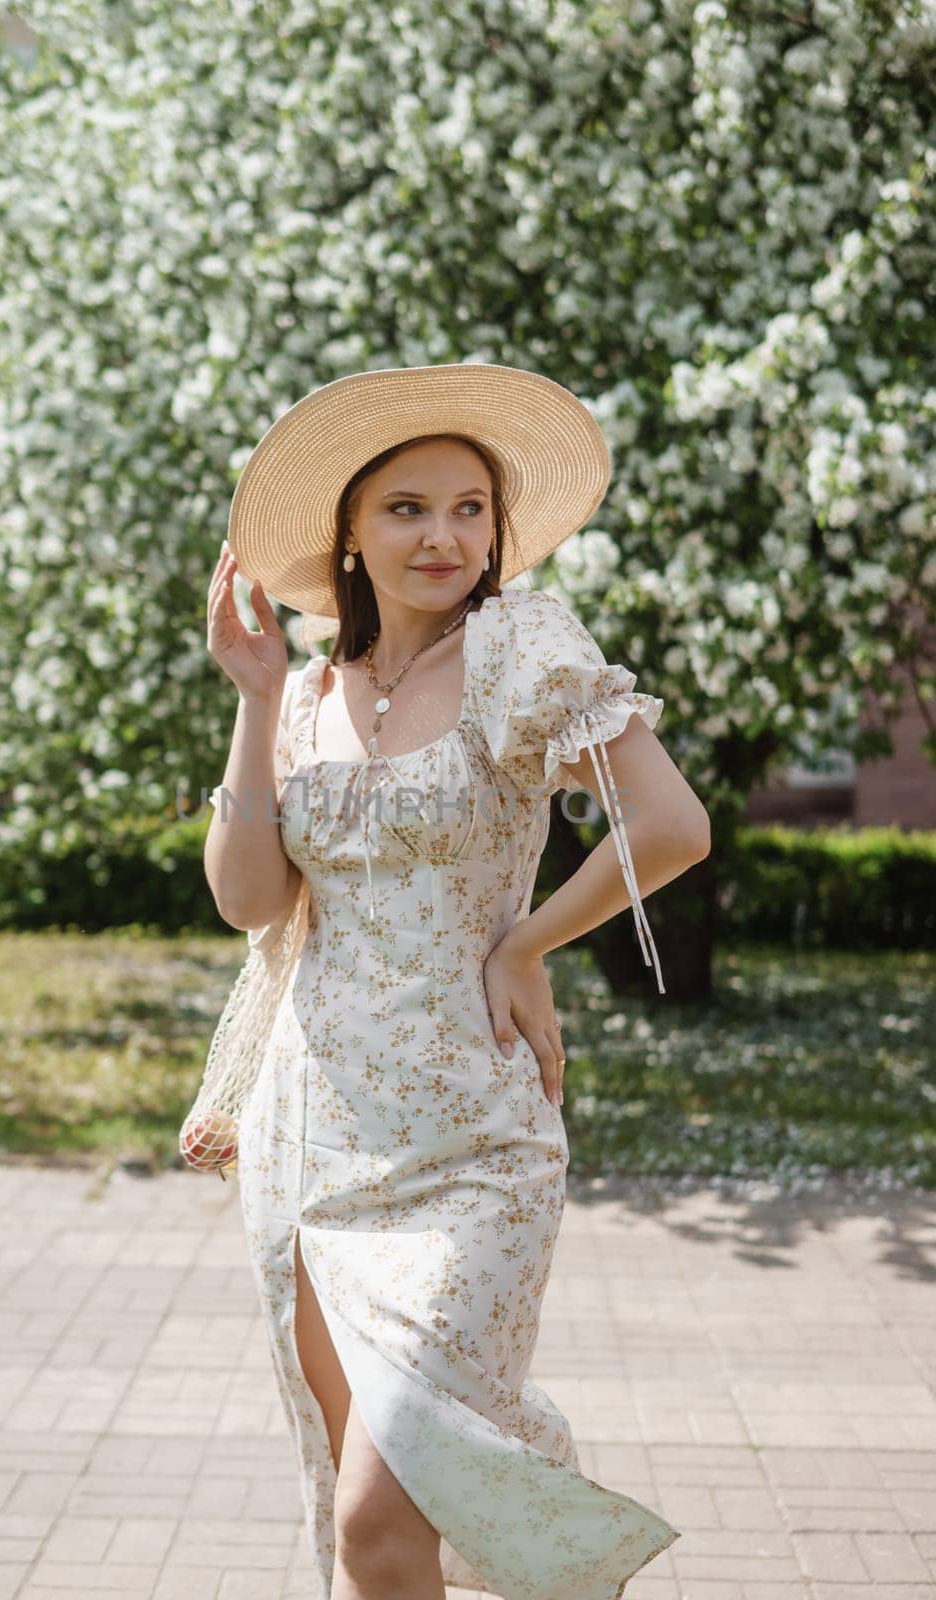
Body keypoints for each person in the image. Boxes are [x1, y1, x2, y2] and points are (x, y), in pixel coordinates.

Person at [203, 363, 709, 1600]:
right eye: (407, 508)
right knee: (356, 1517)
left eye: (471, 508)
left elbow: (669, 820)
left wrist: (524, 941)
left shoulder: (518, 647)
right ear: (350, 536)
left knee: (397, 1492)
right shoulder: (308, 692)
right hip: (312, 1133)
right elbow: (252, 900)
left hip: (473, 1139)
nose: (446, 536)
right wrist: (256, 703)